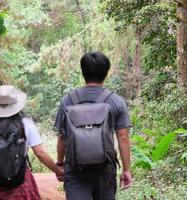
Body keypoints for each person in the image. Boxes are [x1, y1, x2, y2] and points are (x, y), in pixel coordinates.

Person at [54, 52, 132, 200]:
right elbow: (123, 137)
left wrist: (60, 163)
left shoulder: (67, 101)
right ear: (106, 72)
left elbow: (62, 137)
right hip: (105, 169)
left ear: (83, 72)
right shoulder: (115, 101)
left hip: (75, 168)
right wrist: (127, 170)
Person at [0, 85, 64, 200]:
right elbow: (40, 153)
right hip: (21, 178)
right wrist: (58, 171)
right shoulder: (26, 124)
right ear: (16, 105)